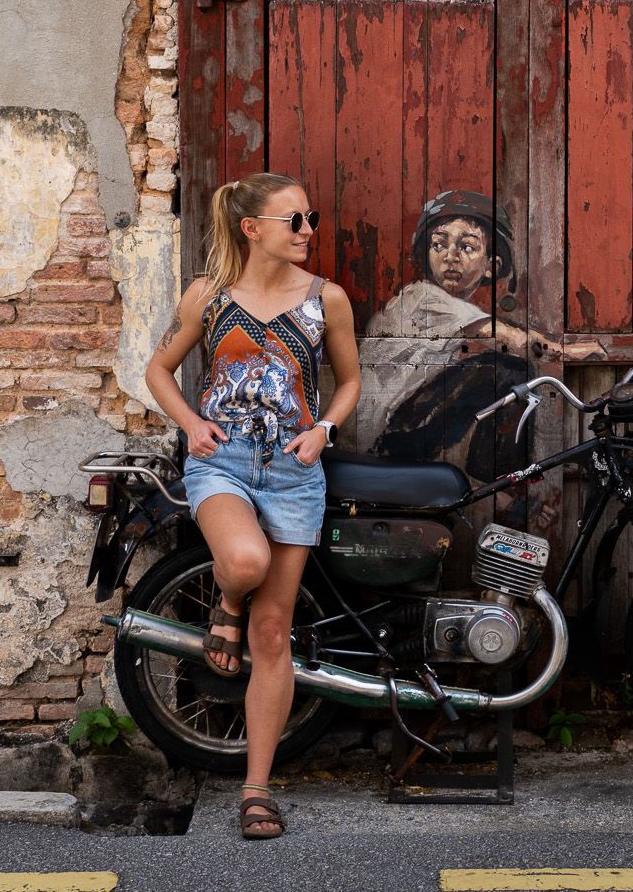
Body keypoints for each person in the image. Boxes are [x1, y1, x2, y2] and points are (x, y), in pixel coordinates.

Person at [145, 172, 360, 840]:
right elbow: (158, 368)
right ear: (252, 228)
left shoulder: (329, 300)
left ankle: (257, 787)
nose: (308, 230)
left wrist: (325, 429)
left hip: (295, 472)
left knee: (274, 636)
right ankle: (225, 605)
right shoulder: (208, 298)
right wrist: (190, 421)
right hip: (224, 463)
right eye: (294, 220)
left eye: (310, 218)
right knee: (241, 561)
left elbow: (350, 381)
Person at [357, 190, 601, 485]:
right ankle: (503, 485)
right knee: (506, 370)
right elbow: (513, 340)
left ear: (491, 265)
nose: (450, 256)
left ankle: (492, 484)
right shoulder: (421, 297)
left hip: (397, 429)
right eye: (439, 244)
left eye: (467, 247)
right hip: (384, 437)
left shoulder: (447, 308)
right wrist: (572, 352)